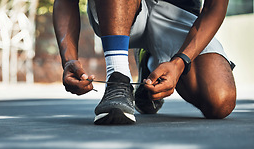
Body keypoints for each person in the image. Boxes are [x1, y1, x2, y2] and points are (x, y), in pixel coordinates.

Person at [53, 0, 236, 125]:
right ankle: (118, 78)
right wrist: (69, 60)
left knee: (220, 100)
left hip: (178, 12)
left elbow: (215, 6)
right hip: (116, 9)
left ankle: (148, 62)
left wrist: (180, 63)